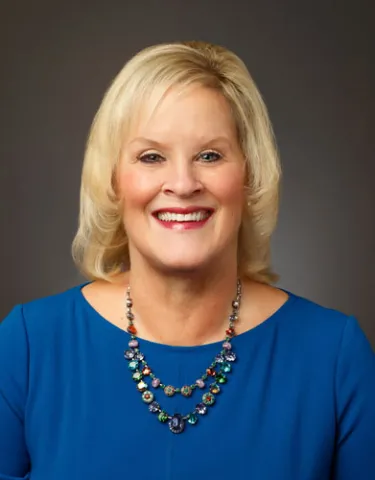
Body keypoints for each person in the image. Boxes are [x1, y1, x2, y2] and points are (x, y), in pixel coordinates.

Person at [0, 40, 374, 480]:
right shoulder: (26, 347)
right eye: (151, 156)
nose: (182, 183)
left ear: (249, 175)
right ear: (113, 180)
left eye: (210, 156)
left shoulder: (335, 357)